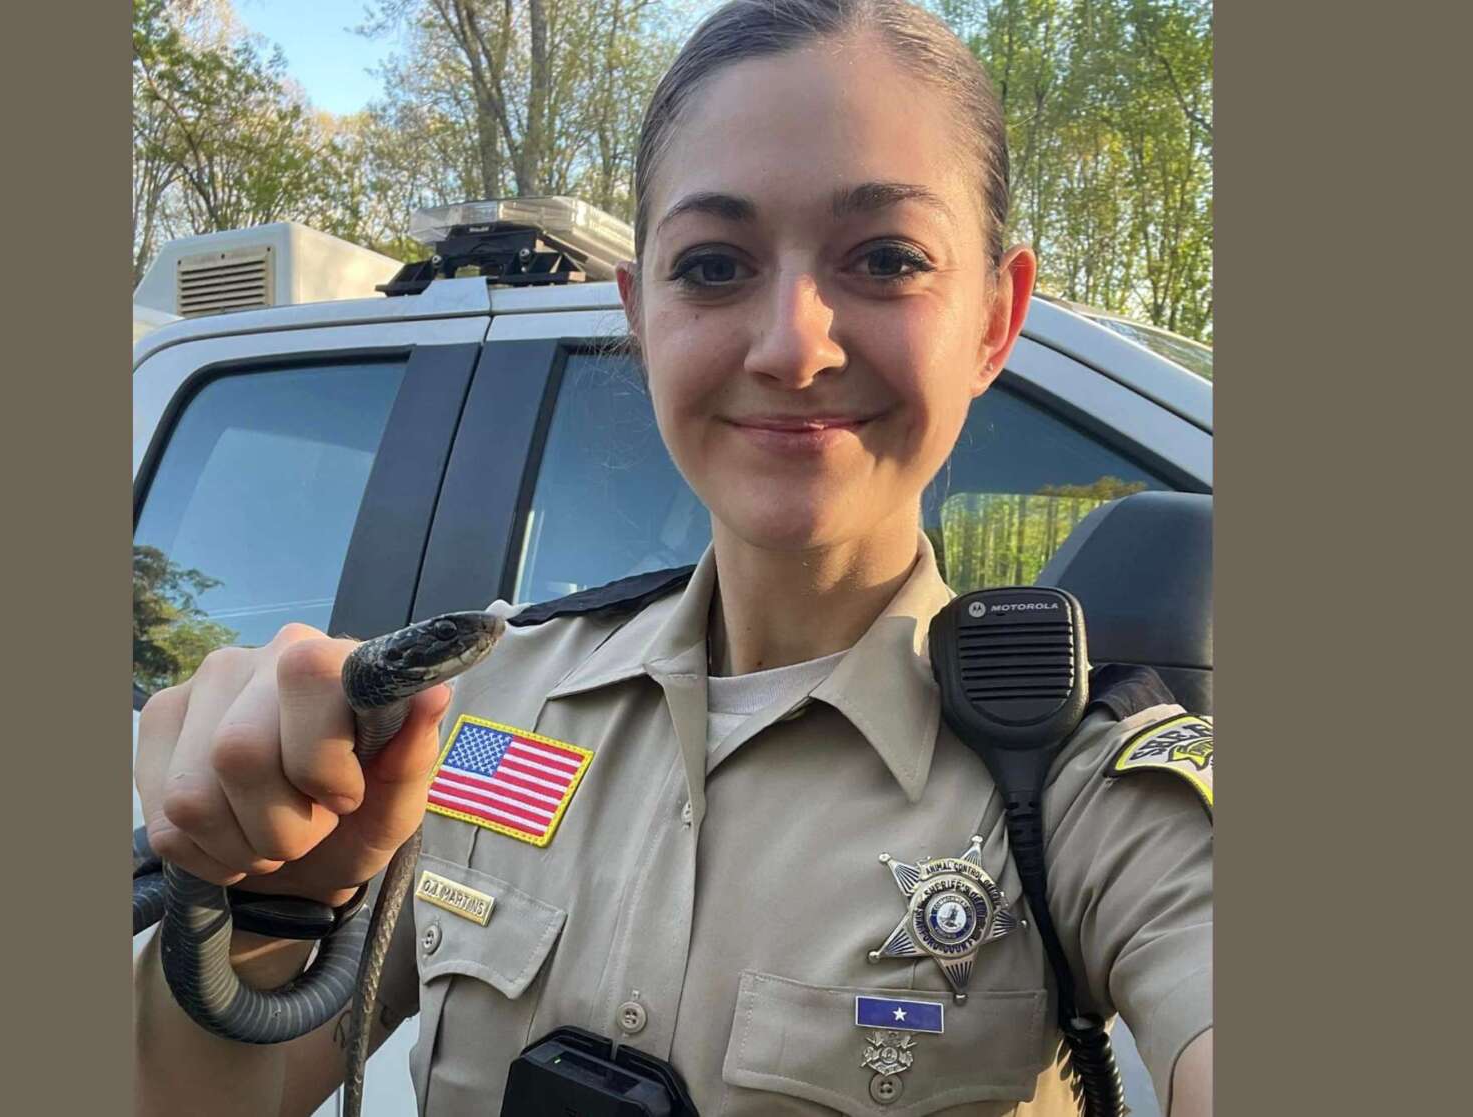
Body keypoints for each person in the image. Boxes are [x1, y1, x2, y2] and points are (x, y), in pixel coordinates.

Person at [133, 2, 1213, 1114]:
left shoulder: (1084, 799)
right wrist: (262, 905)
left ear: (995, 317)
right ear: (639, 315)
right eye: (712, 265)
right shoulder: (476, 715)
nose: (792, 345)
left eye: (887, 258)